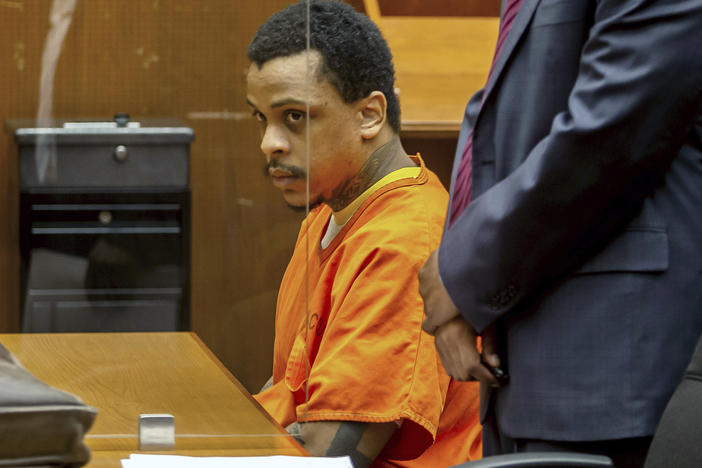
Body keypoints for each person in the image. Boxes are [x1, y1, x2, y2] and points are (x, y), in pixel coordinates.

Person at [419, 0, 702, 467]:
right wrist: (465, 292)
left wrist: (463, 278)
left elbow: (608, 138)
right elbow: (493, 121)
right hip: (525, 365)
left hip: (611, 375)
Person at [245, 1, 481, 466]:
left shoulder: (405, 240)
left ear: (370, 115)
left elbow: (331, 457)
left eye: (294, 116)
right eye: (262, 118)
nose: (268, 142)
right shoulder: (329, 208)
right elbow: (290, 392)